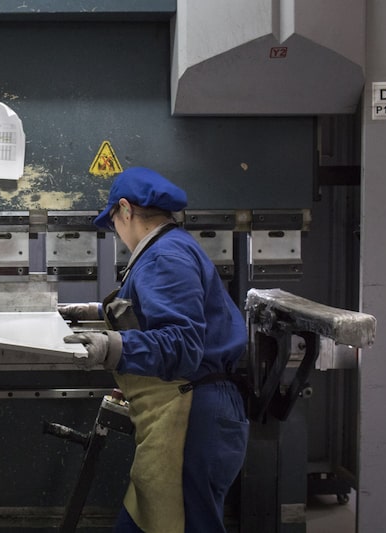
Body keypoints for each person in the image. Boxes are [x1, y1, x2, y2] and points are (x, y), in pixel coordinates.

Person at [61, 167, 249, 533]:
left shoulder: (165, 256)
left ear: (126, 210)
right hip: (186, 408)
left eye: (113, 219)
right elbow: (154, 312)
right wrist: (94, 312)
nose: (115, 229)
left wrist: (110, 345)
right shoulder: (168, 249)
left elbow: (182, 343)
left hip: (191, 413)